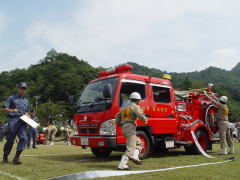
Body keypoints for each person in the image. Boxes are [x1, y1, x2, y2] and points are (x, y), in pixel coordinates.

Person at [115, 92, 148, 170]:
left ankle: (135, 156)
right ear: (138, 100)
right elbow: (140, 115)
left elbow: (117, 117)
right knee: (131, 147)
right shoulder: (135, 106)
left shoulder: (124, 108)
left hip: (124, 128)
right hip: (130, 127)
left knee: (139, 143)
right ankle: (122, 164)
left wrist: (120, 124)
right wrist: (145, 120)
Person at [2, 82, 29, 164]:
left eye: (24, 89)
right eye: (21, 88)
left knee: (24, 138)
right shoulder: (11, 97)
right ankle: (5, 155)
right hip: (13, 120)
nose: (23, 90)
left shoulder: (26, 101)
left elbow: (26, 111)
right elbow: (4, 108)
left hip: (22, 121)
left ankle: (16, 158)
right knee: (10, 139)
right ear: (18, 89)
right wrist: (12, 110)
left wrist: (28, 115)